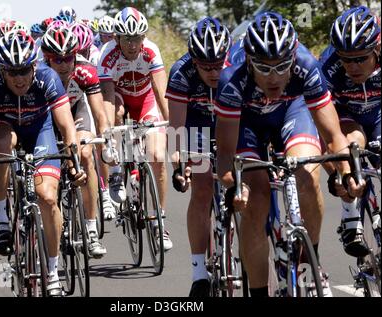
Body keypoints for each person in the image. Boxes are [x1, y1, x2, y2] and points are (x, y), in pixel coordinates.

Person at [215, 12, 365, 297]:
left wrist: (347, 174)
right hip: (248, 121)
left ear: (293, 58)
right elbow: (224, 153)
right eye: (264, 67)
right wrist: (234, 185)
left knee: (307, 175)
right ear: (248, 60)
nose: (274, 76)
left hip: (291, 111)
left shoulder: (306, 66)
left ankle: (310, 261)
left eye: (283, 66)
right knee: (256, 201)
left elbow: (334, 138)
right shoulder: (231, 80)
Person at [0, 30, 84, 296]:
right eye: (12, 72)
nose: (19, 78)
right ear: (1, 70)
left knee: (47, 197)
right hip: (5, 126)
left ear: (34, 66)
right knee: (0, 144)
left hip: (40, 129)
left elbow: (66, 125)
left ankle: (54, 269)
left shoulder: (48, 78)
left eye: (24, 70)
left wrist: (74, 162)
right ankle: (0, 217)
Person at [98, 7, 172, 251]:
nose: (132, 45)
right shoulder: (107, 56)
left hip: (145, 100)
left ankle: (160, 219)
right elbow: (107, 99)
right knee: (117, 114)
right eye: (127, 39)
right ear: (117, 38)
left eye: (137, 38)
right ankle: (118, 171)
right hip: (119, 99)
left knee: (158, 157)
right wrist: (109, 135)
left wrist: (171, 127)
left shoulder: (150, 50)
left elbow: (161, 93)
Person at [168, 17, 231, 296]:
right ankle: (198, 273)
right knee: (203, 188)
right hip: (197, 129)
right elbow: (176, 129)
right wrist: (180, 166)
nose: (214, 72)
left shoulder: (237, 66)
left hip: (231, 124)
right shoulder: (181, 73)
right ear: (194, 61)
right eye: (206, 67)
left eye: (218, 65)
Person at [41, 26, 115, 257]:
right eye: (57, 59)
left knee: (84, 154)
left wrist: (107, 140)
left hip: (77, 112)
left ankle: (91, 228)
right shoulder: (38, 75)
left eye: (68, 58)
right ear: (47, 59)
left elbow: (99, 113)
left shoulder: (85, 71)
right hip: (47, 119)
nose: (64, 64)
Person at [320, 6, 381, 257]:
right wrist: (337, 173)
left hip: (378, 112)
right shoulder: (327, 67)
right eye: (346, 58)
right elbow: (322, 130)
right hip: (346, 115)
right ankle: (350, 216)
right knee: (350, 146)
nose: (352, 66)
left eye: (360, 58)